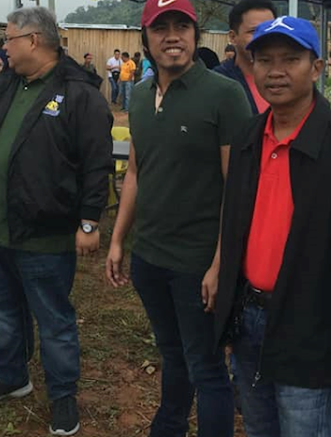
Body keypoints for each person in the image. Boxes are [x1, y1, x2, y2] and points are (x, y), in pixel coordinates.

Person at [0, 7, 113, 436]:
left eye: (9, 39)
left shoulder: (80, 94)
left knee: (54, 319)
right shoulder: (3, 86)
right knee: (3, 312)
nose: (4, 47)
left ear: (34, 40)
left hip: (45, 231)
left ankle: (62, 396)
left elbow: (97, 165)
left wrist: (90, 222)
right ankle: (12, 375)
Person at [105, 0, 252, 436]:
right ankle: (168, 426)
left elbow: (237, 188)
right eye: (161, 27)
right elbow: (135, 170)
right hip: (150, 257)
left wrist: (221, 264)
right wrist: (118, 240)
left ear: (195, 34)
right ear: (145, 39)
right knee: (172, 353)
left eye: (182, 26)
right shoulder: (142, 96)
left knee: (207, 368)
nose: (173, 36)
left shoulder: (225, 96)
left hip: (197, 262)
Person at [215, 16, 331, 437]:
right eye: (264, 60)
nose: (276, 71)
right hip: (249, 318)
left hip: (309, 325)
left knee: (305, 422)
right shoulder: (250, 136)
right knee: (259, 423)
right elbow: (234, 219)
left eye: (290, 59)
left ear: (316, 68)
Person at [214, 0, 277, 115]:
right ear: (233, 37)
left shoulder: (289, 79)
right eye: (253, 31)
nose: (263, 37)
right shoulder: (217, 84)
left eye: (270, 30)